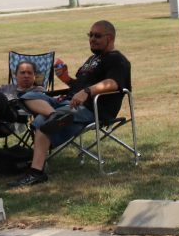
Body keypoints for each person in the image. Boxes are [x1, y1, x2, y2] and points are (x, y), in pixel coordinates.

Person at [9, 20, 131, 187]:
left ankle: (36, 172)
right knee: (27, 95)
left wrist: (87, 91)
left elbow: (113, 83)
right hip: (68, 102)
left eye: (97, 36)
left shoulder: (117, 59)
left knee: (42, 122)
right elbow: (78, 87)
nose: (92, 39)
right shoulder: (92, 59)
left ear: (109, 38)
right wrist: (65, 78)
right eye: (90, 35)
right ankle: (54, 115)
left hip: (91, 109)